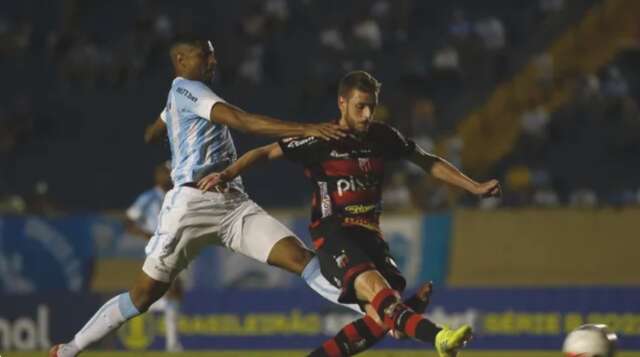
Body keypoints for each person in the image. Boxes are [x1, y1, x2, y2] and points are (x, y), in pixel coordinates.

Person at [48, 36, 355, 357]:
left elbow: (153, 130)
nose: (213, 62)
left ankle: (379, 315)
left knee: (300, 259)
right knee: (142, 296)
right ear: (180, 61)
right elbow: (243, 122)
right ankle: (69, 350)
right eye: (204, 56)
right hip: (191, 206)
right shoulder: (188, 89)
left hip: (233, 203)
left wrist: (159, 129)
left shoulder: (178, 96)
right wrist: (309, 129)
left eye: (213, 56)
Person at [199, 70, 501, 357]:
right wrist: (227, 174)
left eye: (372, 107)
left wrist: (473, 187)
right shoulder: (321, 138)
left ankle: (406, 322)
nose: (367, 115)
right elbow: (264, 152)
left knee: (383, 319)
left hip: (370, 235)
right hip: (334, 235)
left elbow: (426, 161)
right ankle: (439, 337)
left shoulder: (382, 136)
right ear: (342, 103)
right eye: (360, 107)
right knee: (385, 300)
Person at [124, 161, 183, 352]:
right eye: (166, 172)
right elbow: (128, 221)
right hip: (158, 248)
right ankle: (173, 344)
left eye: (171, 172)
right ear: (159, 175)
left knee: (171, 292)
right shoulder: (148, 198)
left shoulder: (177, 195)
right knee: (172, 290)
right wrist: (149, 235)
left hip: (174, 247)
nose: (170, 175)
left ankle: (136, 308)